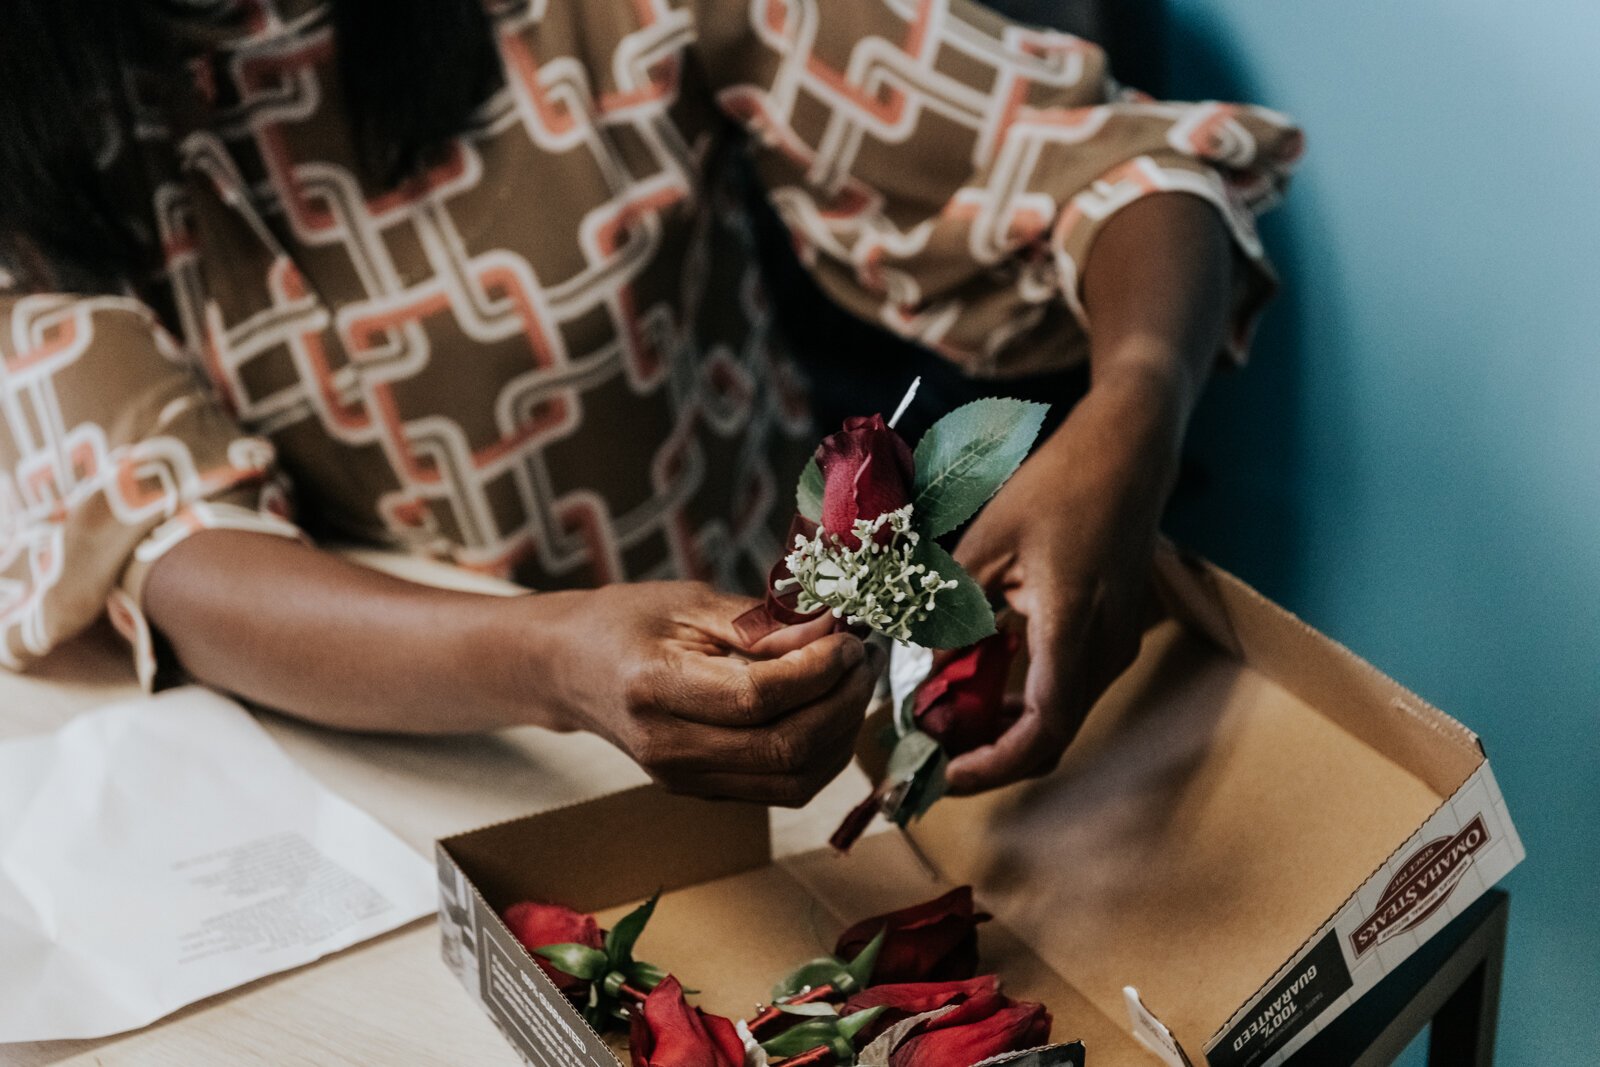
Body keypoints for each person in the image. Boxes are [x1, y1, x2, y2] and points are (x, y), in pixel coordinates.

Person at [0, 0, 1299, 805]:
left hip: (772, 710)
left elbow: (1119, 175)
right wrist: (549, 663)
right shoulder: (40, 134)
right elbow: (160, 542)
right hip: (377, 779)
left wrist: (1129, 406)